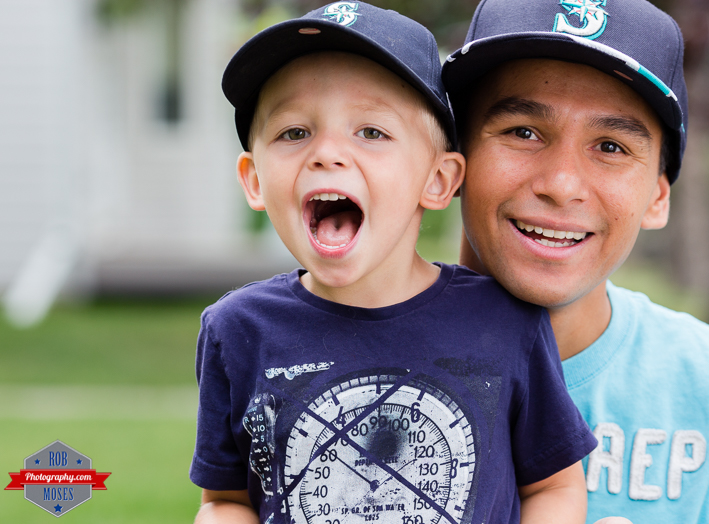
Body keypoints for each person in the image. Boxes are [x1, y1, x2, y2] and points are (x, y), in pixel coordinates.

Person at [189, 3, 599, 523]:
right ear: (253, 179)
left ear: (438, 180)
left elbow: (554, 486)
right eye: (294, 133)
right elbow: (226, 501)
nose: (326, 154)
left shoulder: (505, 321)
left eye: (371, 132)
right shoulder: (238, 330)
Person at [442, 0, 709, 522]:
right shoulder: (304, 356)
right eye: (523, 131)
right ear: (451, 160)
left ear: (657, 198)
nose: (560, 185)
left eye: (610, 145)